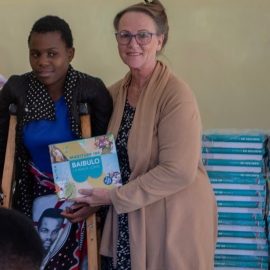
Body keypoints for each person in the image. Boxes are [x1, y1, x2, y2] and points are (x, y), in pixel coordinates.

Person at [72, 1, 218, 270]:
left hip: (173, 218)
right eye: (124, 35)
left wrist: (110, 197)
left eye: (143, 35)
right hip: (129, 214)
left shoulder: (177, 95)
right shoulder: (114, 93)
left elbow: (178, 170)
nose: (132, 43)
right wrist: (92, 199)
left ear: (160, 41)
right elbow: (108, 161)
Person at [0, 15, 112, 269]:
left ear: (70, 53)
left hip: (81, 194)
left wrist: (94, 202)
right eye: (35, 54)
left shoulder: (90, 90)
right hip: (32, 193)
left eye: (52, 54)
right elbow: (1, 144)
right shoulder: (18, 89)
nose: (42, 62)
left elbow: (105, 148)